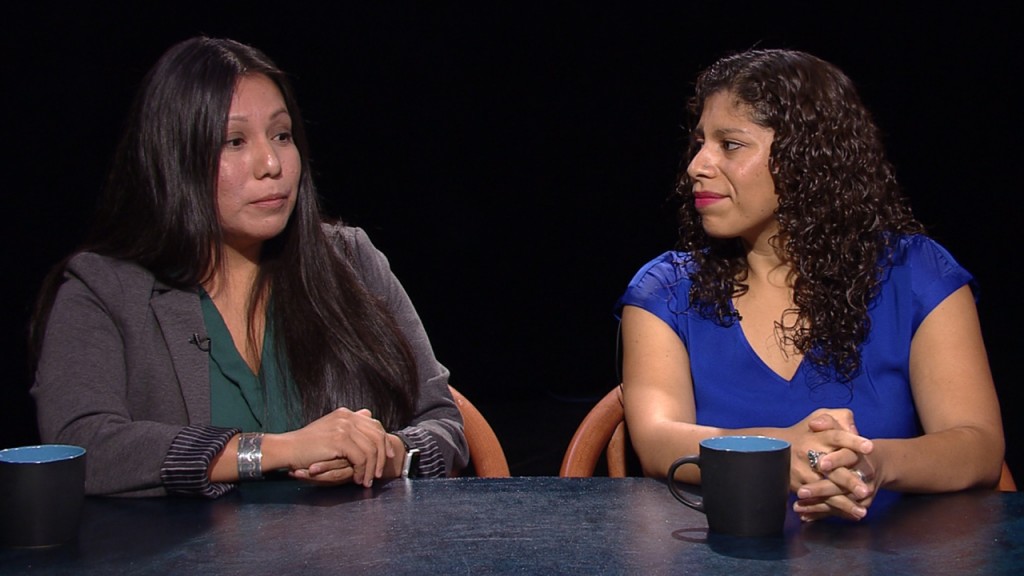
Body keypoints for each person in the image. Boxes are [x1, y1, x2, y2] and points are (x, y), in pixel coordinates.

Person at [30, 37, 468, 497]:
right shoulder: (103, 288)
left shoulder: (350, 259)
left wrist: (394, 454)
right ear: (174, 158)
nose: (271, 163)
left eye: (282, 135)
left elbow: (443, 421)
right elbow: (79, 447)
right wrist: (271, 451)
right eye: (234, 142)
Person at [617, 48, 1004, 522]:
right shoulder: (667, 289)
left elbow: (978, 445)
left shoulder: (916, 273)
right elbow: (657, 440)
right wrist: (775, 455)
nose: (698, 165)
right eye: (699, 142)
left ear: (806, 157)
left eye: (730, 144)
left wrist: (873, 463)